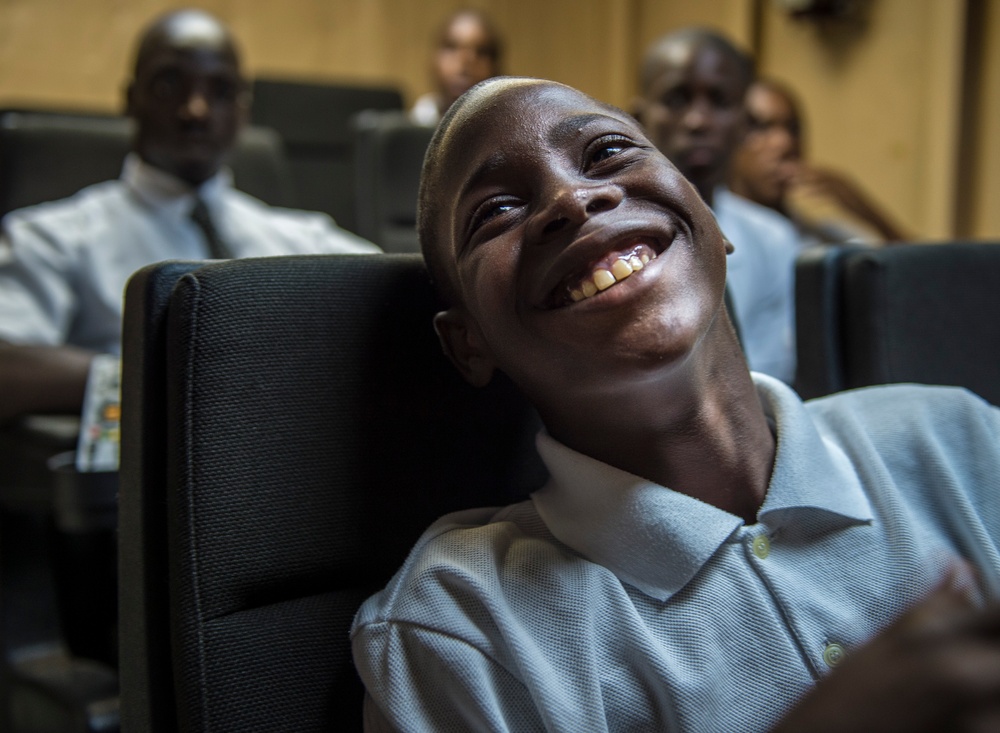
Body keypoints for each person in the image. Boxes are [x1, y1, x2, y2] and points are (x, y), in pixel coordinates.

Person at [351, 76, 1000, 732]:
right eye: (494, 211)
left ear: (713, 222)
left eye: (605, 154)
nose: (573, 199)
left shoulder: (960, 438)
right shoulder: (462, 627)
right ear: (468, 344)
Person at [0, 9, 378, 424]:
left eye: (220, 90)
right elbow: (9, 366)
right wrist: (179, 381)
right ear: (130, 100)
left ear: (242, 112)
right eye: (169, 84)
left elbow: (410, 292)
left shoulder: (302, 238)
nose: (195, 110)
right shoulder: (52, 237)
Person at [633, 28, 799, 384]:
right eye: (677, 99)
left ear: (742, 121)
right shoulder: (606, 234)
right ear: (639, 116)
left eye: (720, 101)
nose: (698, 121)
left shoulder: (772, 239)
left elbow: (769, 375)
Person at [731, 77, 910, 246]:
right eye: (761, 127)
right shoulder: (713, 235)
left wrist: (861, 207)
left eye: (793, 129)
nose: (784, 143)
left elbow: (923, 268)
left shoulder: (819, 238)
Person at [409, 9, 502, 127]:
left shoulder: (506, 128)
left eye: (481, 52)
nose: (465, 62)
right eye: (451, 47)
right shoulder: (418, 120)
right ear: (433, 60)